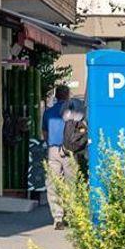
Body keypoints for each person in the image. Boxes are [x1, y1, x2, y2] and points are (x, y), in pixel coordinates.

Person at [43, 82, 75, 227]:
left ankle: (58, 217)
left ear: (56, 96)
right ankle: (71, 214)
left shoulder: (48, 112)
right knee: (71, 183)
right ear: (67, 96)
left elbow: (44, 132)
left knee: (53, 183)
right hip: (69, 150)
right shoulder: (72, 112)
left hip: (53, 150)